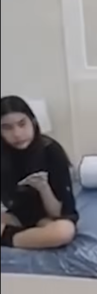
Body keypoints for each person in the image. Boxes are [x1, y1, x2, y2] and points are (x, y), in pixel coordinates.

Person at [1, 95, 78, 249]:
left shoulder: (51, 151)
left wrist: (43, 187)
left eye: (22, 124)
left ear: (33, 122)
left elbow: (59, 213)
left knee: (64, 231)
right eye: (7, 128)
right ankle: (24, 237)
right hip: (16, 217)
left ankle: (9, 238)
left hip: (47, 219)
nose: (17, 134)